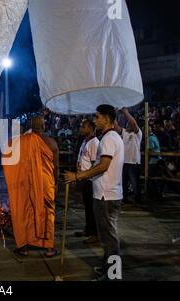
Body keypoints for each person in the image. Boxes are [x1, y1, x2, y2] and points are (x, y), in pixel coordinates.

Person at [65, 104, 124, 281]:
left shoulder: (108, 139)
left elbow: (103, 166)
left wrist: (78, 175)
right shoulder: (108, 137)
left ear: (107, 118)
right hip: (105, 193)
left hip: (107, 194)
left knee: (109, 238)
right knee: (106, 236)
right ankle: (108, 267)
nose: (95, 119)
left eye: (97, 117)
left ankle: (113, 274)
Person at [3, 115, 60, 257]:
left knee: (25, 211)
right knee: (47, 212)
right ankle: (48, 248)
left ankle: (24, 247)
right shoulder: (51, 142)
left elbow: (7, 156)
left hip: (25, 183)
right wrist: (56, 183)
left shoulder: (19, 142)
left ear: (30, 126)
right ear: (44, 126)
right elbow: (56, 168)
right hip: (46, 183)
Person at [74, 119, 99, 244]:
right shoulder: (85, 141)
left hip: (90, 180)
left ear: (90, 128)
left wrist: (88, 176)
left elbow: (95, 163)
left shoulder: (94, 143)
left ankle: (95, 233)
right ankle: (88, 229)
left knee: (92, 208)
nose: (81, 128)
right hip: (84, 179)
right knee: (87, 207)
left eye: (83, 126)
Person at [115, 108, 142, 203]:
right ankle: (124, 198)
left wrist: (125, 111)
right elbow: (115, 126)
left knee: (135, 184)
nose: (128, 124)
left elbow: (134, 123)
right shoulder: (125, 133)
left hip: (134, 163)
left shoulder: (138, 134)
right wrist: (114, 114)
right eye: (127, 123)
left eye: (129, 123)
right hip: (124, 162)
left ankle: (138, 200)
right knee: (123, 183)